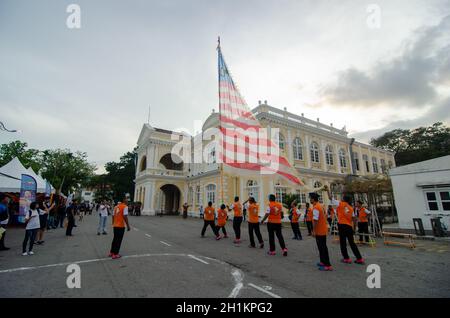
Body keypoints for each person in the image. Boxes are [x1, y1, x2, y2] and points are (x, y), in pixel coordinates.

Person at [325, 187, 365, 265]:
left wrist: (327, 190)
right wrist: (354, 228)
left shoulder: (340, 203)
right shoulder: (351, 208)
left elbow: (330, 197)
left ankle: (346, 258)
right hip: (349, 226)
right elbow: (354, 218)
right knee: (352, 243)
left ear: (343, 199)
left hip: (342, 225)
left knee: (343, 243)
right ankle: (359, 258)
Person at [309, 192, 332, 271]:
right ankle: (322, 261)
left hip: (320, 231)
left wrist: (313, 231)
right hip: (321, 230)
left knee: (323, 248)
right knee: (321, 247)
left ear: (313, 199)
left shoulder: (316, 207)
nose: (310, 200)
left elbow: (315, 220)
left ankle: (327, 265)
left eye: (310, 198)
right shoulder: (320, 206)